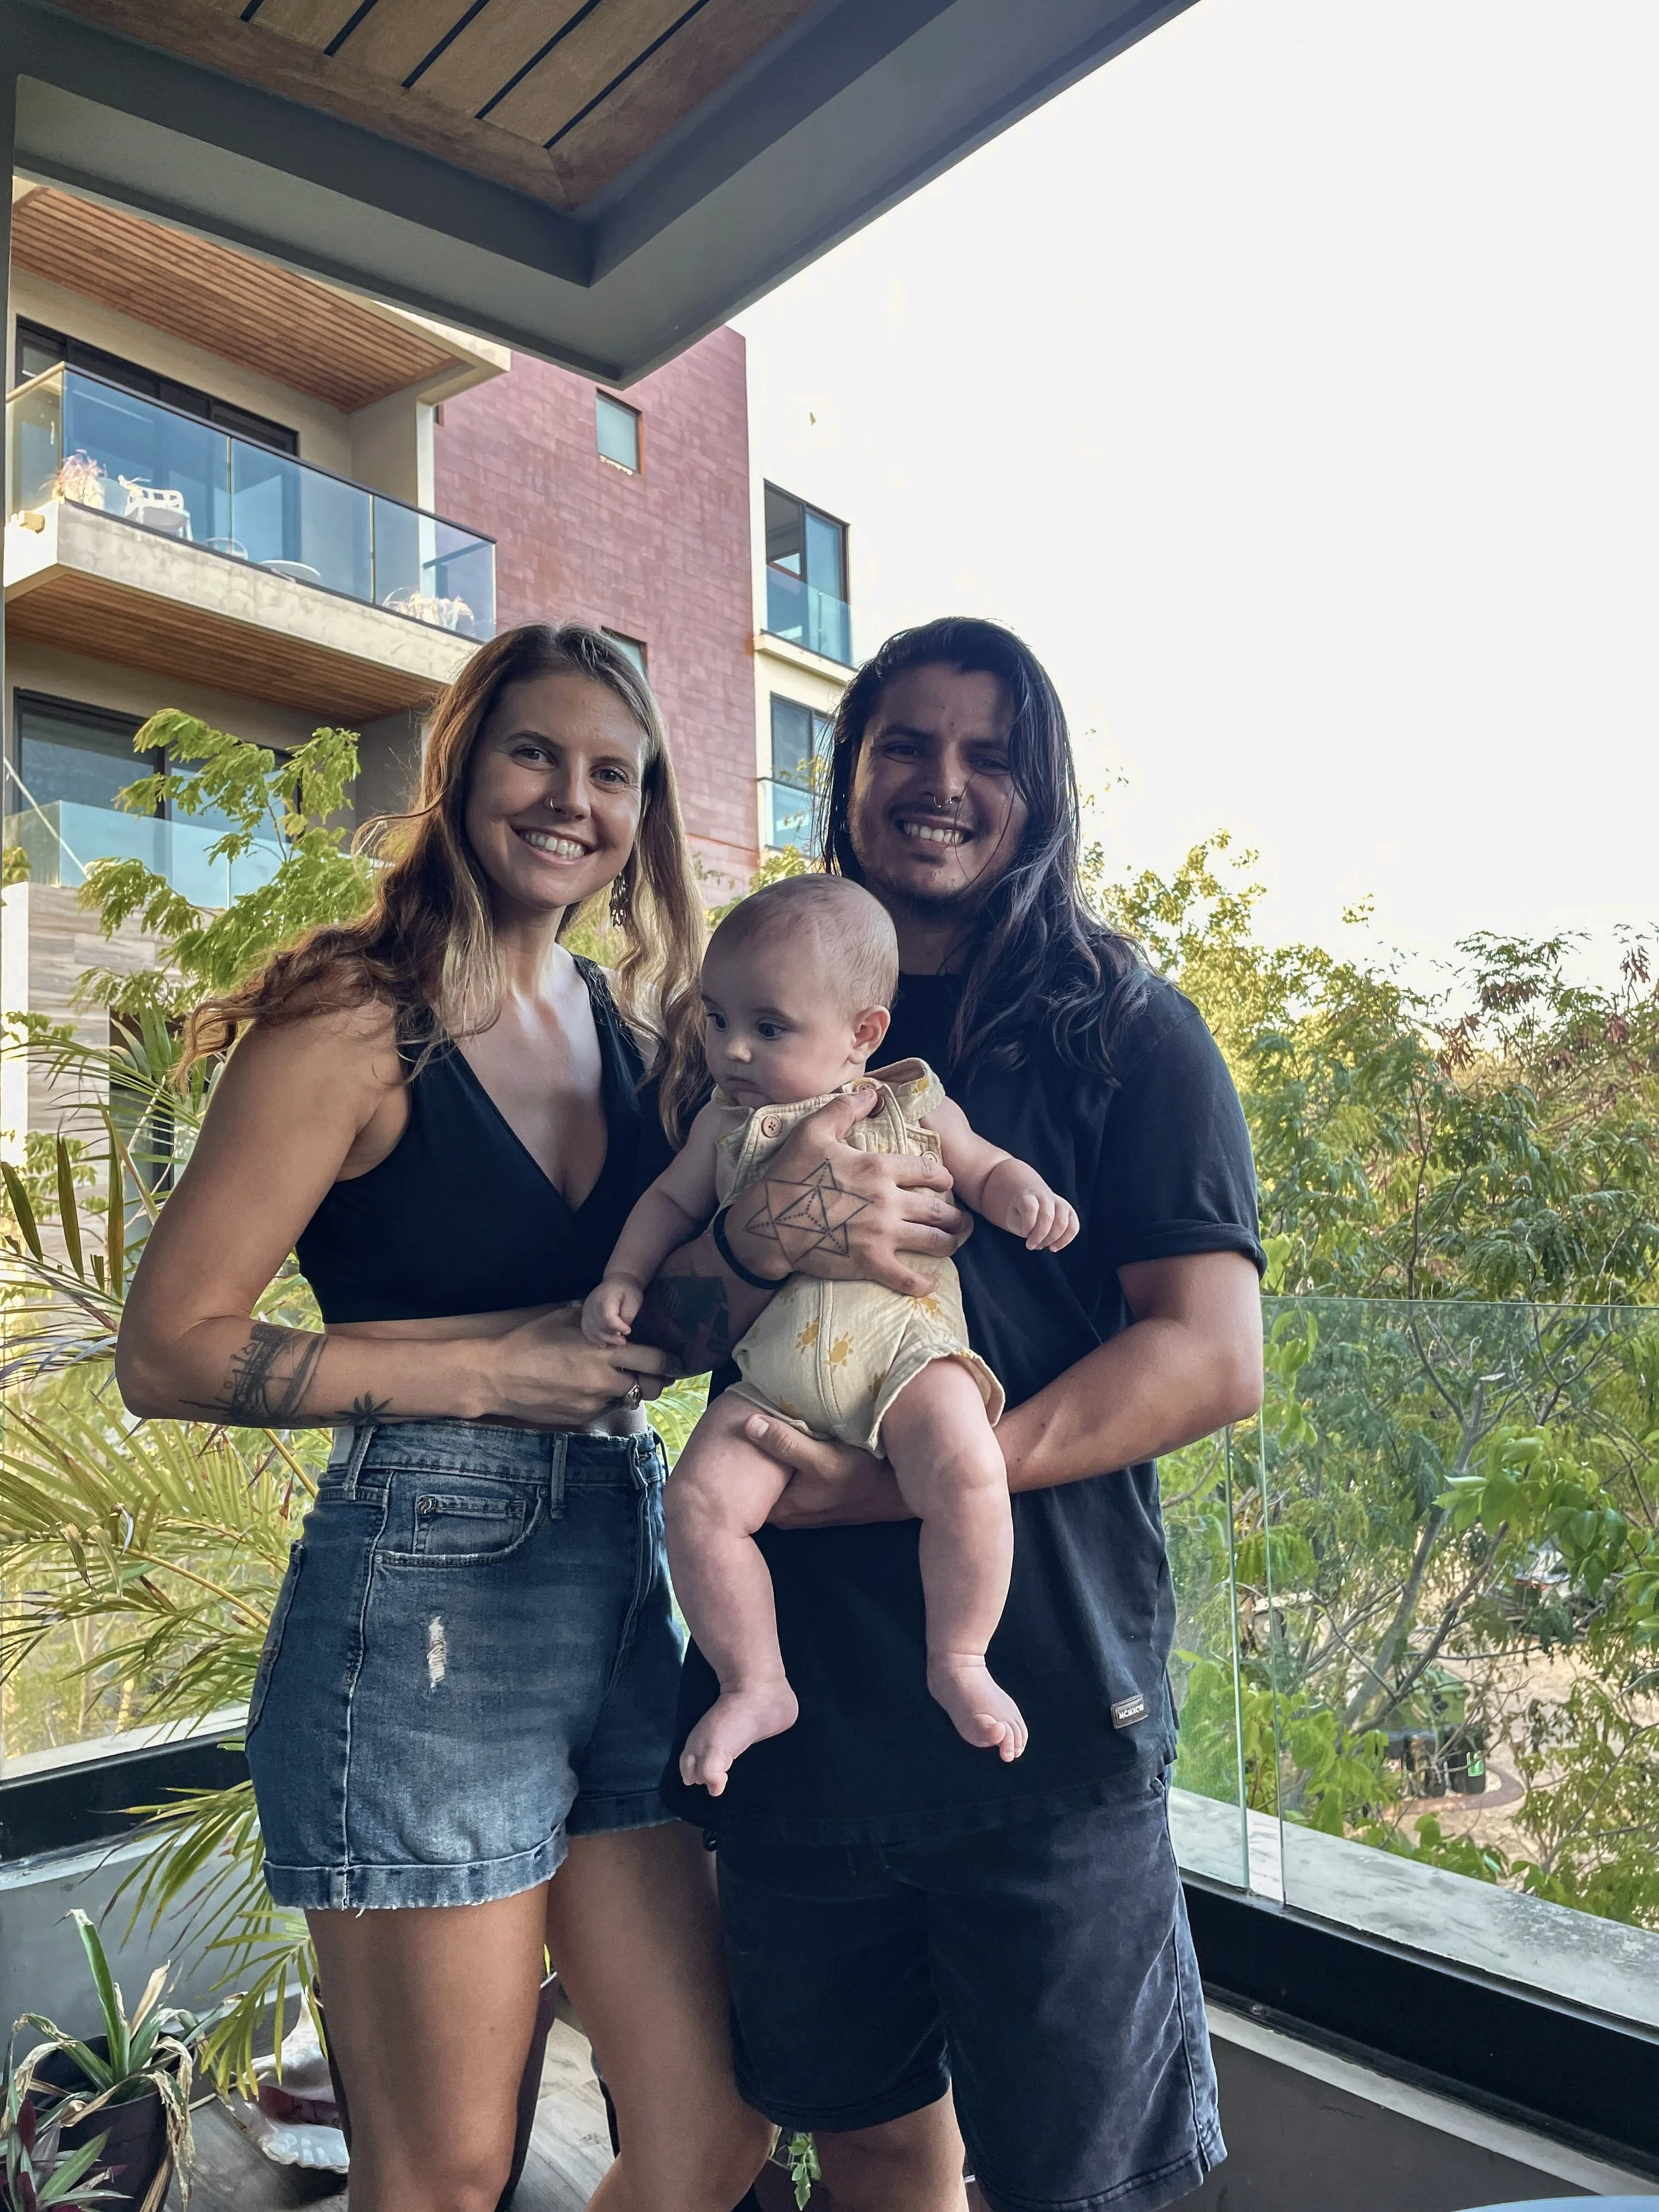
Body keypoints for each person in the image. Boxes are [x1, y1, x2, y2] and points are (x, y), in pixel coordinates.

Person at [115, 623, 968, 2212]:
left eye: (612, 773)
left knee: (709, 2136)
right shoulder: (355, 1021)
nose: (570, 799)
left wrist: (791, 1235)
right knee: (440, 2172)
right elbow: (169, 1349)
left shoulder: (639, 1030)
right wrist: (491, 1368)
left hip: (616, 1566)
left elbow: (652, 1335)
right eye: (533, 754)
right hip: (418, 1590)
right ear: (457, 771)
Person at [638, 618, 1266, 2212]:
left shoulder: (1121, 1026)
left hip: (1046, 1713)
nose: (942, 781)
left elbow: (1207, 1357)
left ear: (1036, 791)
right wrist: (761, 1235)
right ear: (844, 773)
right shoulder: (725, 1031)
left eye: (987, 754)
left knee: (1082, 2179)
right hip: (798, 1719)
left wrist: (917, 1483)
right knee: (864, 2149)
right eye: (904, 744)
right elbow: (654, 1330)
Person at [583, 874, 1078, 1795]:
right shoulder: (722, 1126)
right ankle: (754, 1680)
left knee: (969, 1466)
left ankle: (962, 1656)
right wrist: (624, 1277)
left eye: (769, 1028)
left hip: (904, 1356)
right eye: (718, 1019)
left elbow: (981, 1167)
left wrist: (1023, 1199)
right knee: (696, 1505)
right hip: (772, 1386)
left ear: (864, 1034)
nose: (731, 1049)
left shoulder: (910, 1100)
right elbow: (667, 1206)